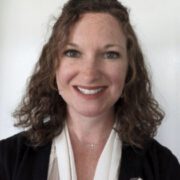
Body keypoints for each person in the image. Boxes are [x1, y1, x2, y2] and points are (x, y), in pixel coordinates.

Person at [0, 0, 180, 179]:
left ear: (129, 69)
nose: (90, 74)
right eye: (72, 52)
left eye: (110, 54)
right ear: (53, 65)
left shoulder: (163, 166)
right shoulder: (6, 159)